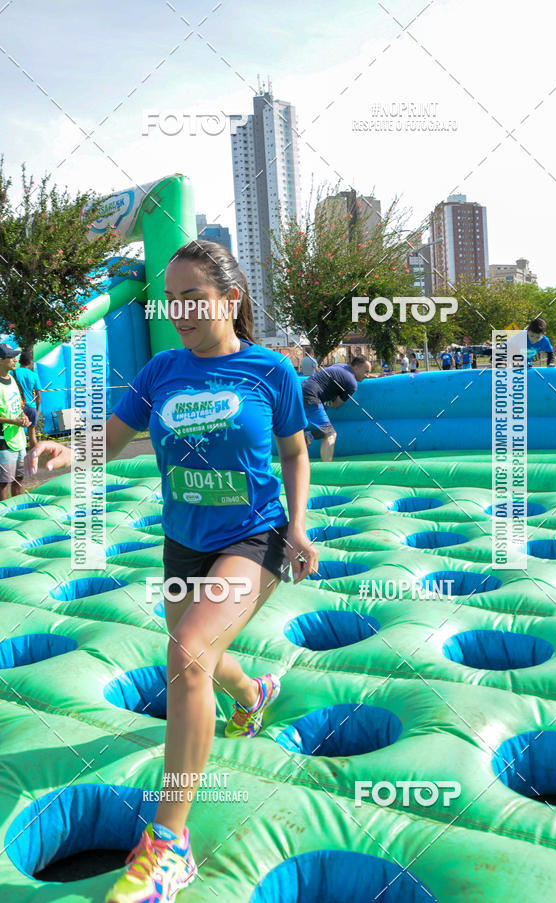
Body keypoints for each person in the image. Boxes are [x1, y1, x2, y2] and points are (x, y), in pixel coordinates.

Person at [25, 239, 319, 903]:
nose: (179, 308)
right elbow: (111, 439)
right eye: (171, 296)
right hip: (183, 543)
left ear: (230, 298)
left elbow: (296, 455)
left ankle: (168, 846)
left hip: (256, 535)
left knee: (187, 653)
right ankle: (254, 696)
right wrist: (63, 455)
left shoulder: (270, 371)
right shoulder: (161, 370)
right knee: (205, 658)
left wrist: (298, 526)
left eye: (194, 295)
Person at [301, 356, 371, 461]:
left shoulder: (340, 366)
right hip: (311, 396)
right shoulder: (352, 384)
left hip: (298, 391)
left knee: (305, 435)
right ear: (356, 368)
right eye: (366, 372)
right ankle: (327, 469)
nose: (368, 375)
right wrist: (329, 402)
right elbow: (336, 405)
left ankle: (295, 467)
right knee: (330, 434)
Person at [0, 344, 30, 501]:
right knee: (4, 482)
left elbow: (17, 405)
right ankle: (3, 521)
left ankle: (16, 514)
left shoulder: (12, 379)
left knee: (19, 479)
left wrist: (23, 415)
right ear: (1, 360)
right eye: (11, 357)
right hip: (4, 440)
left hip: (18, 438)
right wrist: (12, 421)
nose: (15, 359)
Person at [15, 351, 42, 448]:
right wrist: (37, 410)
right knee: (32, 433)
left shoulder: (13, 372)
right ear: (30, 362)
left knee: (17, 432)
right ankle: (34, 456)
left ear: (19, 361)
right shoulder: (33, 375)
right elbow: (38, 395)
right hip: (31, 407)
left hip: (18, 406)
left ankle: (20, 454)